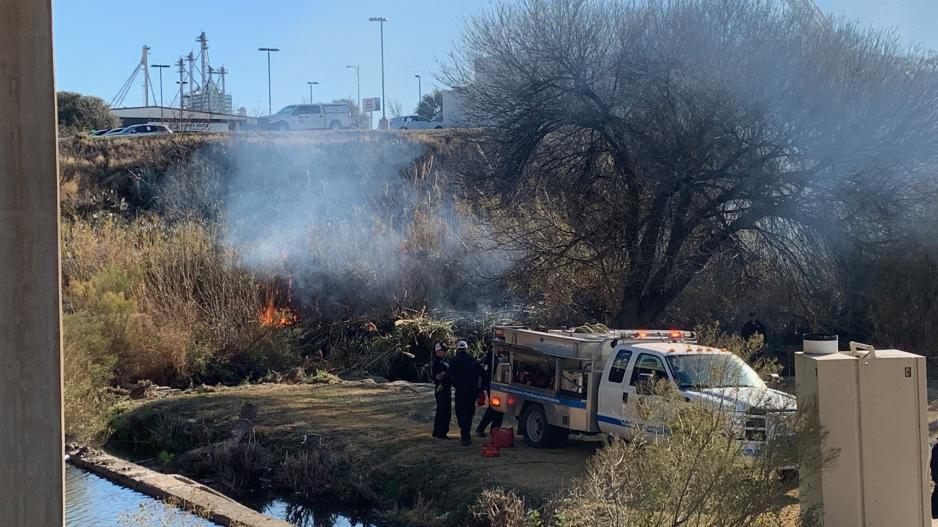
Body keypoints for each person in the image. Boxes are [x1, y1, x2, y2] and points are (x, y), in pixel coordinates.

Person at [449, 340, 482, 446]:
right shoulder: (473, 360)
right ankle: (466, 436)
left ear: (458, 349)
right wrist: (480, 389)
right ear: (467, 349)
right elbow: (483, 374)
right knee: (469, 413)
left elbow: (449, 375)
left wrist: (453, 384)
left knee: (460, 413)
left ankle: (464, 435)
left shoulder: (454, 361)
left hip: (460, 391)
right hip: (472, 392)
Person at [476, 344, 504, 437]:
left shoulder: (496, 356)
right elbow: (486, 372)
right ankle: (487, 429)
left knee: (497, 409)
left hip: (495, 385)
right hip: (491, 386)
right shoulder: (490, 357)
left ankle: (493, 430)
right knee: (495, 409)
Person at [430, 341, 452, 439]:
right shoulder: (437, 362)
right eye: (443, 350)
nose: (445, 352)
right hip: (441, 388)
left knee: (442, 410)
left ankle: (438, 432)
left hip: (444, 388)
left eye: (445, 350)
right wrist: (445, 374)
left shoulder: (443, 361)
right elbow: (437, 376)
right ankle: (441, 433)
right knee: (443, 411)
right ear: (438, 351)